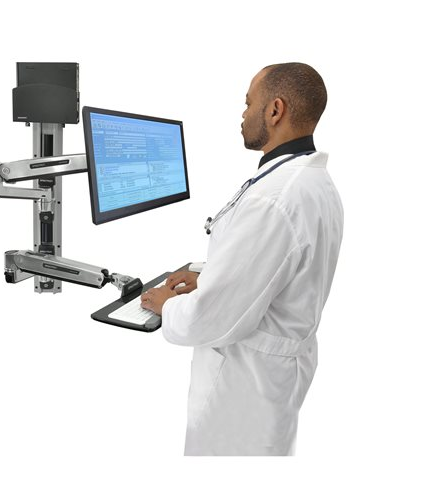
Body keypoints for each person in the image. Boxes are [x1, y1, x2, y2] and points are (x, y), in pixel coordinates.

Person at [141, 63, 344, 456]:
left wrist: (167, 305)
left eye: (249, 103)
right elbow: (278, 271)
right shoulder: (310, 182)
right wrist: (211, 276)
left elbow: (209, 319)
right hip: (272, 383)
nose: (243, 113)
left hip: (242, 391)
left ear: (275, 110)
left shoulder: (275, 199)